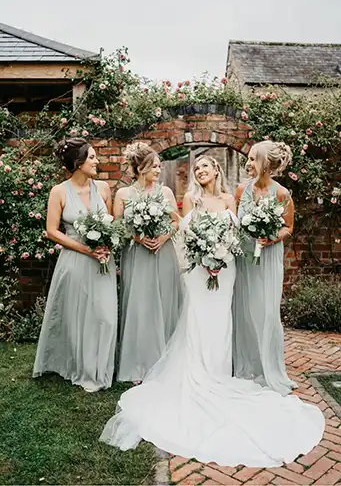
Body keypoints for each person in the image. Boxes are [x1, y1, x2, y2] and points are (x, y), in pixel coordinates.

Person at [100, 155, 324, 467]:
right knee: (198, 319)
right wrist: (205, 257)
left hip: (227, 269)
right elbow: (186, 234)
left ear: (217, 169)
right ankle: (197, 373)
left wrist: (223, 255)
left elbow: (236, 234)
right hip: (198, 270)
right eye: (196, 168)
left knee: (221, 321)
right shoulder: (190, 199)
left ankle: (219, 373)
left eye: (206, 166)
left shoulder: (230, 198)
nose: (200, 171)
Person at [33, 138, 117, 393]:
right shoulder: (58, 192)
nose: (96, 161)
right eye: (91, 157)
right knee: (77, 315)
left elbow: (110, 223)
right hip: (74, 260)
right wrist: (85, 249)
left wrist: (106, 246)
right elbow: (51, 231)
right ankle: (80, 366)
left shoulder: (103, 188)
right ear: (78, 163)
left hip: (102, 261)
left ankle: (100, 368)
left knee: (105, 316)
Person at [114, 142, 183, 384]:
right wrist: (139, 237)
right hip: (137, 256)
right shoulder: (123, 194)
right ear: (141, 168)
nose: (159, 169)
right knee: (140, 305)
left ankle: (167, 361)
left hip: (163, 254)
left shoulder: (165, 193)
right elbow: (118, 225)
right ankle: (140, 363)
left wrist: (162, 237)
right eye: (154, 165)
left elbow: (176, 222)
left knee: (164, 303)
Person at [233, 140, 297, 396]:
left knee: (267, 311)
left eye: (252, 159)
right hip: (245, 258)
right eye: (248, 159)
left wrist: (270, 237)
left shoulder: (281, 194)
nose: (248, 164)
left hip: (269, 258)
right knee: (245, 309)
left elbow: (288, 227)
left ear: (266, 164)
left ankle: (269, 368)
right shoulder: (240, 190)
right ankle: (245, 366)